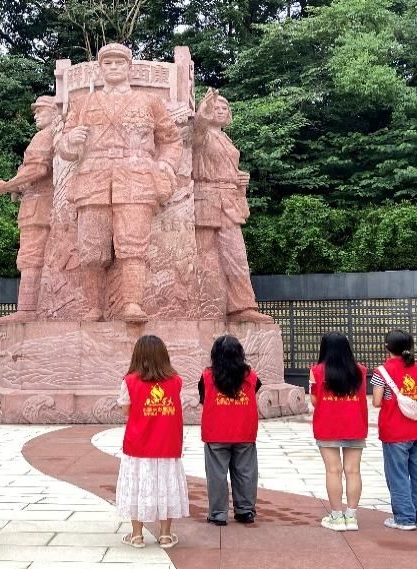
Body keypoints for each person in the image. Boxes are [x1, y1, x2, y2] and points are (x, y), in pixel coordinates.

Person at [59, 43, 183, 323]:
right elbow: (64, 147)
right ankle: (94, 307)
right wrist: (70, 141)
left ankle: (132, 304)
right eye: (108, 63)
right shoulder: (83, 103)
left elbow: (171, 139)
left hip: (136, 179)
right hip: (93, 179)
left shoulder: (148, 101)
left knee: (133, 245)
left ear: (129, 67)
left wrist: (165, 164)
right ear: (100, 69)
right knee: (91, 249)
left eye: (119, 63)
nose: (113, 67)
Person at [192, 88, 271, 323]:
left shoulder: (226, 139)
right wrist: (204, 110)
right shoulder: (203, 135)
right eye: (215, 107)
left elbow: (228, 169)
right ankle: (206, 307)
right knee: (205, 257)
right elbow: (197, 130)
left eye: (224, 108)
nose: (220, 111)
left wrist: (240, 179)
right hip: (206, 198)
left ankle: (242, 307)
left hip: (228, 199)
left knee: (236, 256)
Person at [0, 96, 59, 323]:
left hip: (39, 206)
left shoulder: (45, 136)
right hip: (40, 203)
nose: (36, 115)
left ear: (55, 111)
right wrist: (15, 186)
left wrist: (6, 186)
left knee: (31, 257)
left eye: (40, 110)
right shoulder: (53, 135)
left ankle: (28, 309)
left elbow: (37, 169)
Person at [116, 335, 189, 548]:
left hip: (139, 443)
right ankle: (165, 535)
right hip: (167, 442)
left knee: (137, 486)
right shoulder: (175, 381)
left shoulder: (129, 381)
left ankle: (137, 535)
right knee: (166, 485)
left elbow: (126, 410)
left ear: (137, 356)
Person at [371, 329, 417, 531]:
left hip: (395, 429)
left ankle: (405, 518)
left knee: (397, 474)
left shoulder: (382, 371)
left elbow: (376, 402)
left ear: (386, 347)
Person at [198, 335, 261, 526]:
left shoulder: (207, 377)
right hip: (244, 430)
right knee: (246, 472)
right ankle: (245, 511)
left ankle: (218, 514)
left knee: (216, 474)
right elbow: (254, 392)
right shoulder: (251, 377)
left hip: (216, 431)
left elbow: (203, 399)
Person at [309, 332, 368, 531]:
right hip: (355, 425)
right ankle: (351, 517)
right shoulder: (360, 370)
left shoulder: (316, 371)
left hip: (327, 426)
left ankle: (336, 517)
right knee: (353, 471)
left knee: (333, 470)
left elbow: (315, 401)